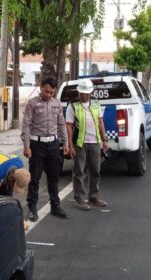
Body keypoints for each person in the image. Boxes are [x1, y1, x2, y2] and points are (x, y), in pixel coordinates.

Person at [21, 76, 69, 221]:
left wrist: (66, 143)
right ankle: (32, 208)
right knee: (34, 178)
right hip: (37, 146)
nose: (48, 95)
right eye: (46, 91)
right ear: (41, 87)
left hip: (53, 145)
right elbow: (26, 125)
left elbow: (61, 124)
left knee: (54, 177)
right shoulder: (32, 104)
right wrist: (26, 146)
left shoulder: (57, 104)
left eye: (51, 92)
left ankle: (55, 205)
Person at [66, 79, 109, 211]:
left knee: (96, 170)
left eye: (86, 93)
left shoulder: (96, 104)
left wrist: (104, 139)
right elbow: (69, 126)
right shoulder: (72, 106)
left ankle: (93, 196)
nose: (83, 95)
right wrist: (70, 145)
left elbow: (100, 122)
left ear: (90, 93)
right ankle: (79, 199)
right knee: (79, 171)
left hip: (95, 142)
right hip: (80, 143)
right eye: (81, 93)